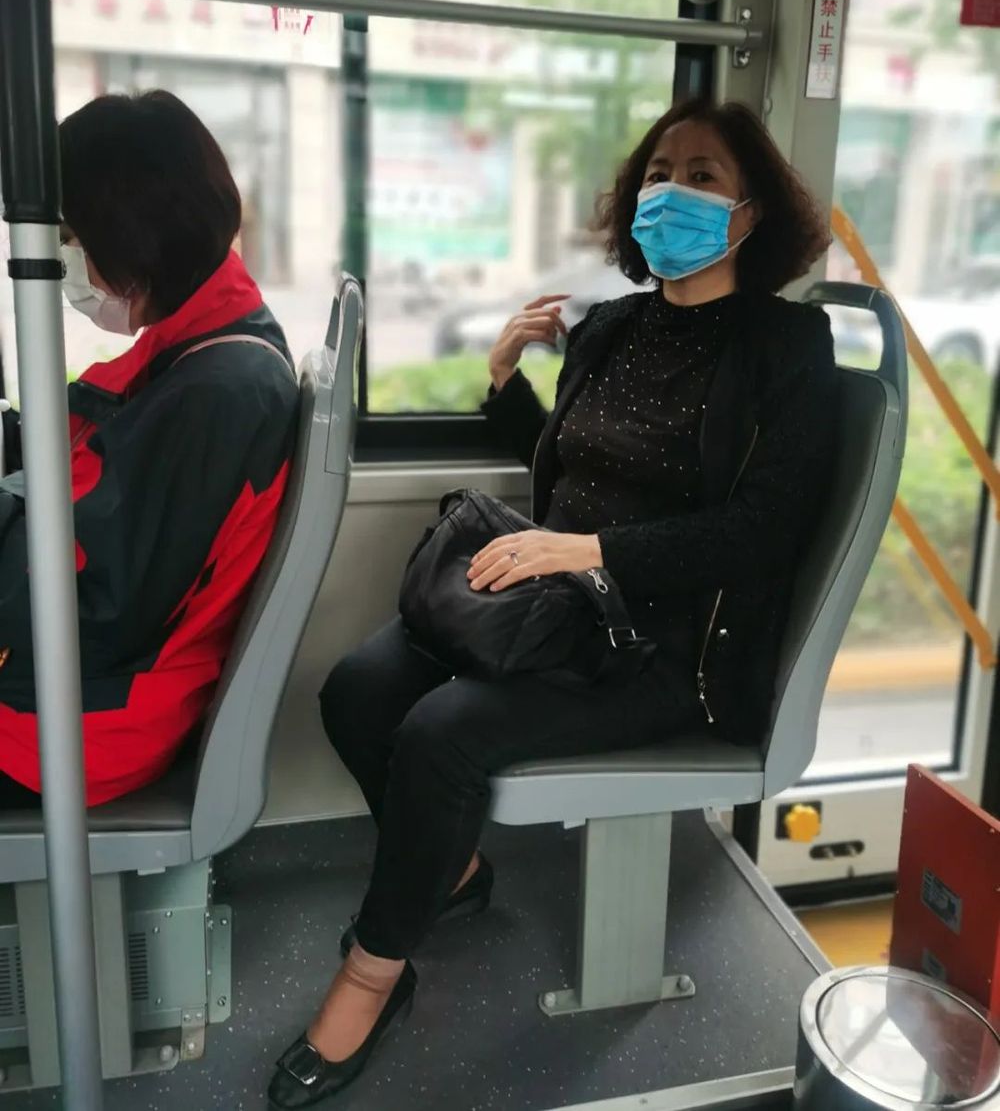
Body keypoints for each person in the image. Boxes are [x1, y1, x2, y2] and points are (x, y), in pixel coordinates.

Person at [267, 98, 836, 1108]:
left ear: (750, 214)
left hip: (663, 645)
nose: (670, 192)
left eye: (702, 176)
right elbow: (576, 465)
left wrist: (588, 550)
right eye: (659, 171)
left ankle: (373, 978)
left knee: (440, 734)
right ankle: (451, 875)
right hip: (556, 607)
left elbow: (762, 529)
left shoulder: (787, 346)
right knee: (355, 692)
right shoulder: (611, 327)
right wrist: (503, 384)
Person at [0, 90, 299, 810]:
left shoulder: (219, 393)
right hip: (83, 691)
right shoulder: (199, 342)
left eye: (72, 236)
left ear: (130, 237)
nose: (65, 257)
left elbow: (97, 615)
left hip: (82, 723)